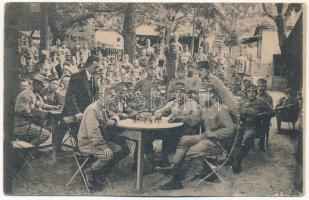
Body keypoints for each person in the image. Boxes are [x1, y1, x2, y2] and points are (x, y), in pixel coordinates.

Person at [155, 92, 236, 190]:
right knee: (184, 139)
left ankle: (177, 181)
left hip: (218, 142)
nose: (200, 97)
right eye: (199, 95)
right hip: (206, 137)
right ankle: (174, 166)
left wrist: (214, 134)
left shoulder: (220, 109)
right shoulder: (204, 108)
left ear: (211, 95)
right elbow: (192, 120)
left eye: (203, 94)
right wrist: (179, 118)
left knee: (191, 151)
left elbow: (231, 129)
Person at [78, 93, 129, 192]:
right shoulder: (93, 110)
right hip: (87, 142)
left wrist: (114, 119)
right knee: (107, 155)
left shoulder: (103, 107)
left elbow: (115, 114)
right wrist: (104, 147)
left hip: (96, 141)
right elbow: (93, 132)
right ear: (102, 96)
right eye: (110, 96)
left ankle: (100, 173)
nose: (112, 99)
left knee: (119, 149)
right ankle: (89, 170)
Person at [53, 56, 101, 160]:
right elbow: (70, 97)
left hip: (86, 113)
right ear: (88, 65)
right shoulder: (76, 76)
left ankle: (84, 152)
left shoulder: (94, 77)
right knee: (79, 133)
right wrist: (77, 112)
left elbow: (96, 96)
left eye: (98, 68)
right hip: (74, 113)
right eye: (95, 67)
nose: (97, 70)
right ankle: (81, 154)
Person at [232, 85, 274, 173]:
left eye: (253, 92)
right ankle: (231, 157)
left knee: (246, 138)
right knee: (232, 136)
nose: (251, 94)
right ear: (246, 93)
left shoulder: (261, 102)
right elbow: (234, 111)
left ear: (256, 93)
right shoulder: (242, 103)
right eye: (249, 92)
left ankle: (237, 162)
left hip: (255, 127)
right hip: (243, 126)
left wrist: (260, 115)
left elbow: (272, 112)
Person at [13, 74, 61, 145]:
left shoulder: (35, 94)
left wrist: (54, 107)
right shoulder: (25, 94)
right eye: (42, 86)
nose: (44, 88)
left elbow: (42, 105)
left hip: (30, 123)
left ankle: (27, 146)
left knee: (49, 128)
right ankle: (26, 150)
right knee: (45, 134)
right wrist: (41, 113)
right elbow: (22, 111)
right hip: (21, 125)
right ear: (36, 84)